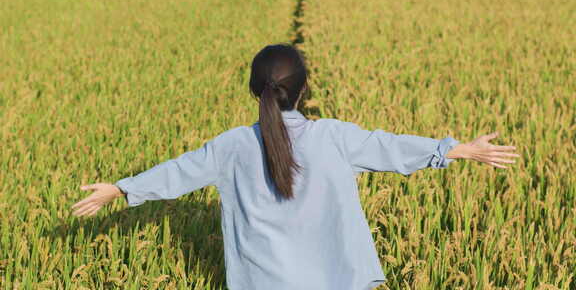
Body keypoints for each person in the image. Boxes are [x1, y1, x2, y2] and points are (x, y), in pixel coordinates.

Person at [71, 43, 520, 290]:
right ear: (304, 90)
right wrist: (457, 149)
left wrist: (120, 189)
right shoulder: (335, 137)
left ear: (255, 92)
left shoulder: (233, 146)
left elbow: (179, 172)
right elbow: (391, 148)